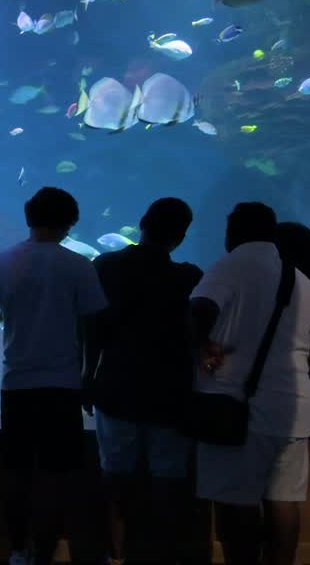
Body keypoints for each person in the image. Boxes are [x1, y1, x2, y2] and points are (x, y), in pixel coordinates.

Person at [189, 203, 310, 565]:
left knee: (236, 499)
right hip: (293, 407)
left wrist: (200, 344)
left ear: (232, 233)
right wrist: (296, 375)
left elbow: (200, 306)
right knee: (284, 499)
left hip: (237, 405)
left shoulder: (231, 265)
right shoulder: (295, 276)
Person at [0, 186, 107, 565]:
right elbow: (94, 325)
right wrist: (89, 376)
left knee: (16, 472)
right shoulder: (79, 265)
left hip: (16, 385)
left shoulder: (2, 261)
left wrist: (7, 314)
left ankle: (17, 549)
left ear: (29, 218)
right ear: (68, 224)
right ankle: (45, 552)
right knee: (54, 476)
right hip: (63, 387)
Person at [85, 198, 203, 565]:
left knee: (116, 478)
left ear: (141, 224)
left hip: (116, 387)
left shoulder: (105, 267)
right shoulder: (189, 278)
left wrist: (87, 377)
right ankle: (161, 552)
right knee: (168, 481)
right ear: (181, 237)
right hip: (171, 395)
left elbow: (90, 330)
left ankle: (116, 555)